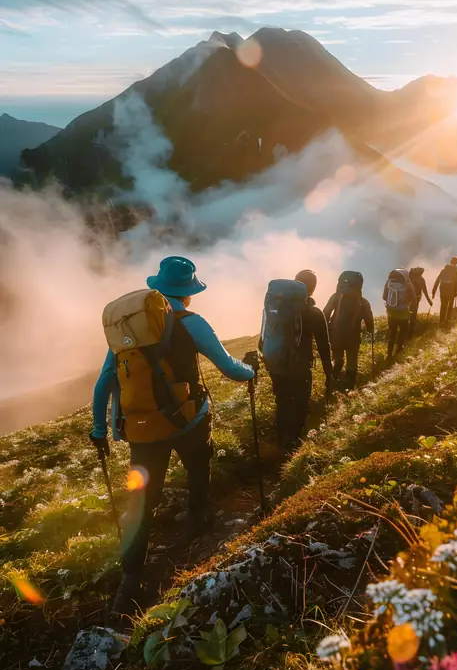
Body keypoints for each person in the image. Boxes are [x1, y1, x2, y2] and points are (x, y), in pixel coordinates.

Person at [90, 256, 257, 614]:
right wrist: (251, 370)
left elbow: (105, 380)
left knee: (142, 501)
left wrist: (99, 429)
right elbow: (229, 368)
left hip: (142, 429)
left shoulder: (130, 330)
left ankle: (131, 580)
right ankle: (199, 519)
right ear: (189, 291)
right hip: (188, 420)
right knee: (198, 464)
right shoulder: (192, 321)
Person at [261, 270, 332, 453]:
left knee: (282, 401)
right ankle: (292, 445)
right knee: (300, 403)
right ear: (313, 288)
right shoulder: (314, 312)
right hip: (300, 367)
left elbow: (263, 339)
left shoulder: (275, 306)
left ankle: (280, 439)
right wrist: (328, 373)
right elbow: (324, 345)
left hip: (276, 366)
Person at [324, 271, 374, 392]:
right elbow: (369, 320)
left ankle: (332, 380)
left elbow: (325, 313)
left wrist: (324, 329)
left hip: (335, 334)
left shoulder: (336, 297)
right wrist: (370, 329)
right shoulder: (363, 302)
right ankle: (349, 386)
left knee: (337, 357)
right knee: (352, 360)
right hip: (353, 336)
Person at [382, 268, 417, 364]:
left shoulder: (388, 283)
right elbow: (414, 299)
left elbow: (384, 297)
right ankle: (398, 351)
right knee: (402, 331)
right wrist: (412, 311)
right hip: (403, 313)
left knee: (392, 333)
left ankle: (389, 354)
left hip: (391, 312)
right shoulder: (408, 284)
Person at [432, 256, 457, 327]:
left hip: (443, 290)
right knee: (450, 306)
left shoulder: (444, 270)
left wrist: (434, 291)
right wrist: (456, 293)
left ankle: (441, 322)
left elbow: (437, 280)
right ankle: (447, 320)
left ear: (451, 261)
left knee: (443, 305)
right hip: (451, 291)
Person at [408, 267, 433, 336]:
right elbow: (425, 291)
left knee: (407, 314)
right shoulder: (421, 280)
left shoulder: (410, 277)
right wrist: (429, 301)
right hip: (416, 299)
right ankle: (410, 332)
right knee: (413, 315)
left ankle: (405, 331)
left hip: (407, 299)